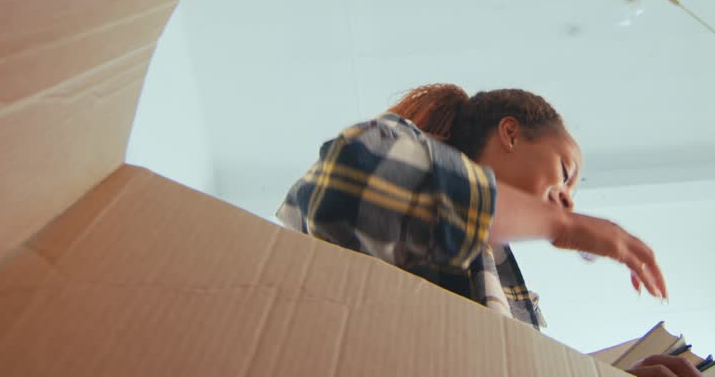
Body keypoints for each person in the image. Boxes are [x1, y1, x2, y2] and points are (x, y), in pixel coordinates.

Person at [278, 83, 681, 373]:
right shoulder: (392, 145)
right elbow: (356, 173)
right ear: (510, 133)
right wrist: (561, 224)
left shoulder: (502, 282)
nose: (569, 200)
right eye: (565, 171)